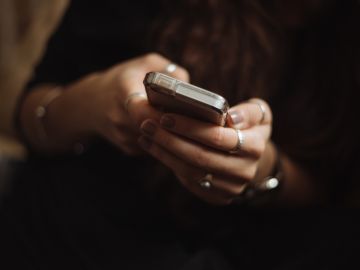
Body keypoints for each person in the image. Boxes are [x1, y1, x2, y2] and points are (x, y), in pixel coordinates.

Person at [1, 0, 360, 269]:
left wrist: (266, 170)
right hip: (73, 228)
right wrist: (95, 102)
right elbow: (28, 119)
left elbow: (334, 198)